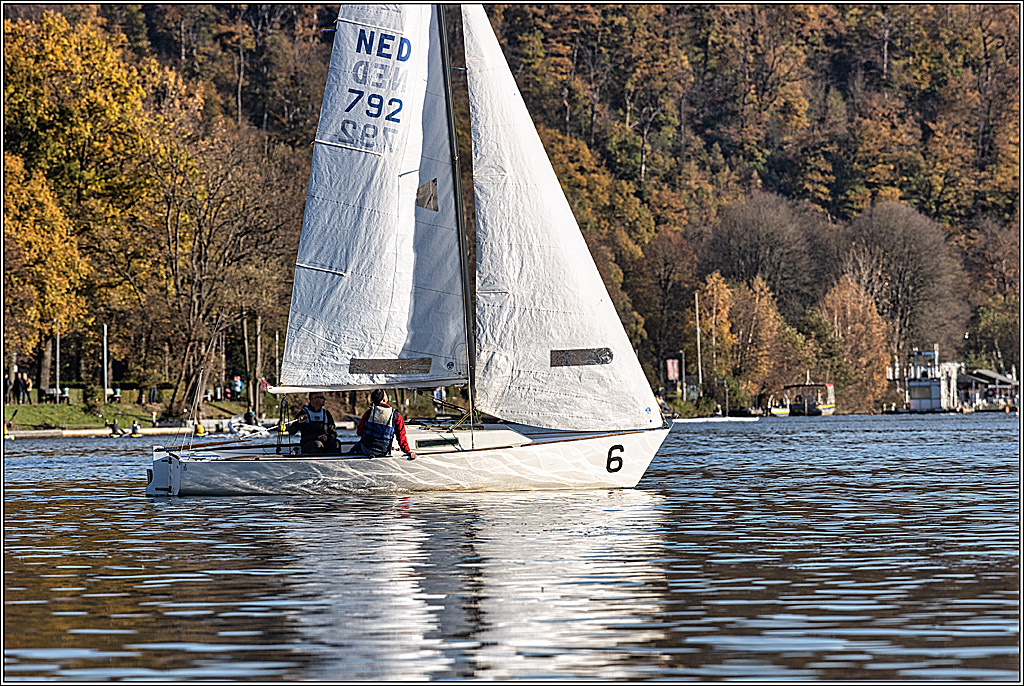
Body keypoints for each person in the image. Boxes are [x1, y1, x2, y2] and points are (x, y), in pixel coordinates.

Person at [353, 389, 417, 460]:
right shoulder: (396, 415)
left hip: (367, 449)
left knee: (354, 449)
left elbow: (359, 432)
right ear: (384, 399)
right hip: (383, 451)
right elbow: (401, 436)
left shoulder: (369, 412)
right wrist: (407, 451)